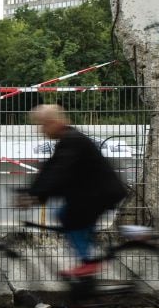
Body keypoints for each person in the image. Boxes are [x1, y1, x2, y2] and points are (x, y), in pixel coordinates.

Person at [17, 104, 129, 278]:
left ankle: (88, 262)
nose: (41, 130)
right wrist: (31, 192)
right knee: (71, 218)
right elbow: (49, 169)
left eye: (43, 124)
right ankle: (87, 276)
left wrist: (35, 195)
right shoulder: (66, 140)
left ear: (54, 122)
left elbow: (58, 173)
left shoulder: (72, 141)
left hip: (101, 194)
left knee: (68, 216)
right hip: (93, 193)